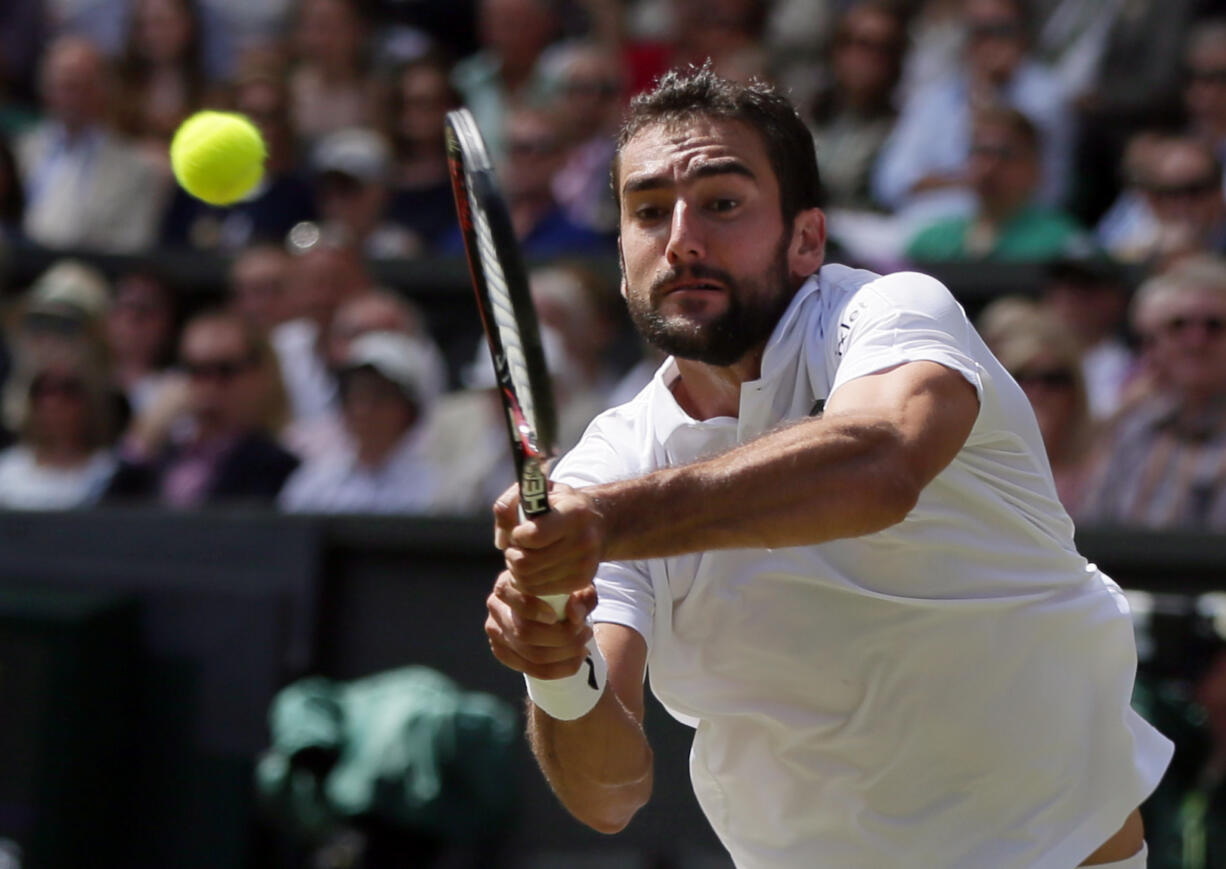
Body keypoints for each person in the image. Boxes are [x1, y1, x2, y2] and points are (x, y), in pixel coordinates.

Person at [482, 67, 1171, 868]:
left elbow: (877, 465)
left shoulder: (894, 314)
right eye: (647, 212)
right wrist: (558, 667)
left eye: (722, 203)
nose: (680, 240)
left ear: (807, 237)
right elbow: (610, 795)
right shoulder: (612, 461)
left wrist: (604, 524)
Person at [1077, 255, 1226, 530]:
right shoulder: (1132, 429)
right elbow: (1092, 529)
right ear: (1157, 342)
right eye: (1178, 326)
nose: (1195, 341)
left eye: (1214, 326)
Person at [106, 309, 298, 507]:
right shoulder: (160, 454)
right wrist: (143, 440)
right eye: (195, 371)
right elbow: (102, 523)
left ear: (261, 376)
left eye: (224, 370)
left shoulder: (275, 463)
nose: (208, 386)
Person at [16, 36, 167, 253]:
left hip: (92, 274)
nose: (72, 98)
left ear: (103, 90)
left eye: (83, 86)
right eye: (64, 86)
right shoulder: (20, 151)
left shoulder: (135, 168)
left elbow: (133, 246)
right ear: (45, 90)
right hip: (17, 269)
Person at [278, 331, 444, 513]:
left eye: (380, 397)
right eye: (356, 395)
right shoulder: (314, 482)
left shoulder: (438, 487)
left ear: (409, 410)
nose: (364, 409)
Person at [905, 105, 1083, 263]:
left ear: (1035, 169)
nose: (989, 167)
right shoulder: (930, 242)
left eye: (1004, 155)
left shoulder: (1063, 245)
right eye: (981, 153)